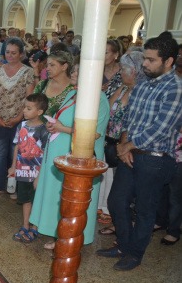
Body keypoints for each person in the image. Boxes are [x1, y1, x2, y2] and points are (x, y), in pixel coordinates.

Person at [99, 34, 182, 271]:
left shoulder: (176, 89)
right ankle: (124, 245)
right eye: (144, 59)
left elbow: (162, 128)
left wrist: (127, 146)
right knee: (116, 202)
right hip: (132, 152)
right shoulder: (144, 81)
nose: (144, 65)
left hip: (156, 159)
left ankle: (134, 253)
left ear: (168, 61)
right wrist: (125, 143)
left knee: (145, 210)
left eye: (151, 60)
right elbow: (129, 117)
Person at [30, 57, 110, 250]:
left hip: (77, 156)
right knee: (58, 196)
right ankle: (58, 234)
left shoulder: (99, 99)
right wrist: (53, 125)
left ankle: (70, 238)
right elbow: (62, 119)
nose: (73, 74)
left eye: (77, 72)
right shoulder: (73, 94)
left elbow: (93, 133)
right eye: (74, 71)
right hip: (60, 152)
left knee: (72, 198)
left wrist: (62, 128)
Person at [97, 50, 143, 233]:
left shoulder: (139, 92)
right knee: (110, 183)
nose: (121, 72)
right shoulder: (123, 87)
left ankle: (119, 224)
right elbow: (108, 107)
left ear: (134, 71)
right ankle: (111, 216)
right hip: (110, 140)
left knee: (121, 190)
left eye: (124, 69)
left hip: (126, 145)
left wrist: (125, 145)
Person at [0, 37, 36, 196]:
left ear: (21, 54)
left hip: (20, 121)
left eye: (14, 53)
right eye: (7, 52)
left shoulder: (27, 72)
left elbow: (29, 99)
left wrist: (19, 118)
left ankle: (14, 187)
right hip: (0, 120)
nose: (10, 55)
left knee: (15, 155)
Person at [8, 94, 49, 242]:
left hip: (36, 173)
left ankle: (35, 228)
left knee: (36, 200)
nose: (24, 111)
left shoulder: (44, 130)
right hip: (22, 171)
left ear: (39, 112)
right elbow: (17, 146)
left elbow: (45, 154)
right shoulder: (22, 125)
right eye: (24, 107)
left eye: (28, 108)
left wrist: (40, 176)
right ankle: (25, 225)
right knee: (25, 199)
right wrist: (13, 166)